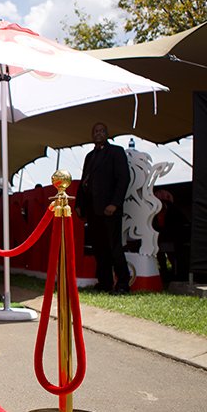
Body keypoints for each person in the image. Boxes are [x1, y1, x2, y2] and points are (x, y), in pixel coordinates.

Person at [77, 122, 131, 294]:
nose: (98, 133)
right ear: (92, 135)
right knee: (99, 248)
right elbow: (84, 181)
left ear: (107, 134)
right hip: (93, 210)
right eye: (95, 131)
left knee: (114, 247)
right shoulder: (89, 156)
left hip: (110, 209)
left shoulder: (116, 152)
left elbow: (123, 179)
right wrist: (79, 204)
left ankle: (123, 283)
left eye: (101, 131)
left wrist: (114, 203)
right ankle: (105, 282)